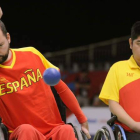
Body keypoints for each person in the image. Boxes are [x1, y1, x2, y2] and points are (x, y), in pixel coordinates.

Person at [0, 8, 91, 140]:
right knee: (27, 130)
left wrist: (82, 119)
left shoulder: (32, 54)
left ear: (8, 38)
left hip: (53, 129)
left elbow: (61, 87)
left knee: (66, 129)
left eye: (0, 45)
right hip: (21, 133)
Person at [99, 21, 140, 140]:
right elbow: (113, 105)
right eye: (139, 43)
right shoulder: (117, 69)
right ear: (131, 43)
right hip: (130, 132)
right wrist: (135, 125)